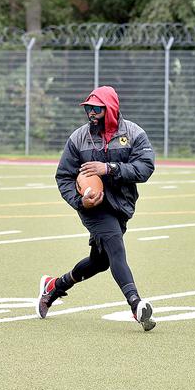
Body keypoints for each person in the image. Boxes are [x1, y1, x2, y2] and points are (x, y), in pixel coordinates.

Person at [37, 85, 156, 331]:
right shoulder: (78, 138)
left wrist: (110, 168)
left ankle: (54, 287)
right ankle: (136, 305)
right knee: (116, 247)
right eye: (89, 108)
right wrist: (81, 202)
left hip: (121, 205)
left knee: (100, 261)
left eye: (97, 109)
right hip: (93, 208)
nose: (91, 113)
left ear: (110, 109)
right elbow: (64, 177)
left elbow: (145, 167)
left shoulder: (134, 134)